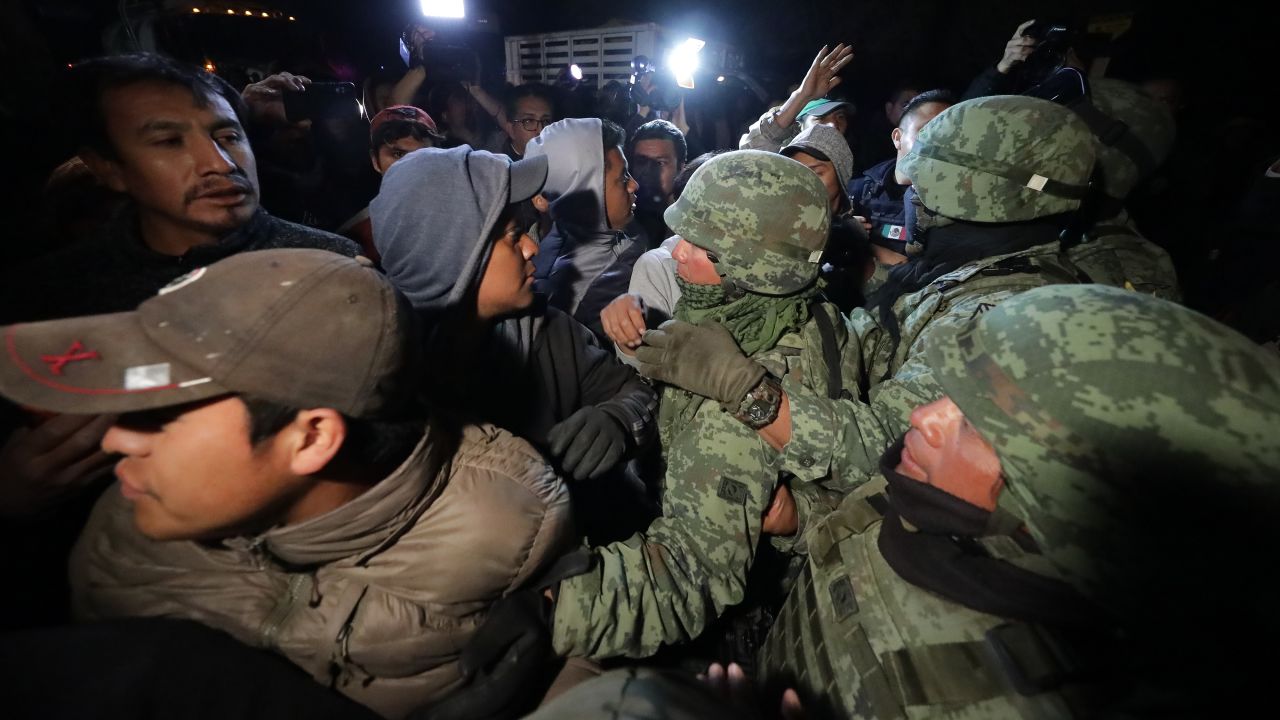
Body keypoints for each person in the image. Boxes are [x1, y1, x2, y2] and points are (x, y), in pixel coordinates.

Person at [0, 248, 573, 719]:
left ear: (310, 437)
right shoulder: (129, 526)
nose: (114, 442)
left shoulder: (507, 524)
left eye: (159, 417)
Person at [758, 284, 1280, 717]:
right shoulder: (936, 491)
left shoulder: (1031, 697)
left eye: (974, 422)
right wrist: (801, 520)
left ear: (1057, 493)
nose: (925, 419)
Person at [637, 95, 1097, 499]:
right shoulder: (972, 273)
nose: (908, 195)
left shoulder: (999, 318)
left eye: (918, 186)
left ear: (982, 196)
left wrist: (744, 387)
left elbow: (883, 446)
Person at [549, 150, 848, 660]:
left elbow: (689, 571)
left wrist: (554, 606)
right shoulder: (807, 311)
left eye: (702, 246)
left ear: (756, 266)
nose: (678, 253)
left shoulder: (742, 396)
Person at [369, 146, 657, 538]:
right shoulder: (382, 382)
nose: (531, 247)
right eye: (511, 236)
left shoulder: (546, 330)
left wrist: (620, 420)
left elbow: (633, 391)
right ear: (454, 253)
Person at [525, 118, 640, 342]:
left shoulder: (614, 234)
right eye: (622, 177)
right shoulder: (573, 292)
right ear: (589, 190)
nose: (634, 184)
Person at [848, 89, 954, 289]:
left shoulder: (960, 202)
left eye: (946, 135)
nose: (935, 143)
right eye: (925, 131)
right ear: (897, 137)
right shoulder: (858, 191)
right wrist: (847, 232)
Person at [337, 104, 443, 262]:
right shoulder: (357, 236)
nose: (411, 164)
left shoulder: (467, 211)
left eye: (423, 154)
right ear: (375, 161)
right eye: (398, 154)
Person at [739, 44, 855, 153]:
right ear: (799, 127)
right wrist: (801, 97)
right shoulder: (784, 165)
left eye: (840, 116)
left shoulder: (849, 171)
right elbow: (750, 156)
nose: (833, 125)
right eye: (821, 118)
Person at [628, 119, 688, 247]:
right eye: (641, 162)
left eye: (660, 163)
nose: (648, 171)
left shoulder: (692, 224)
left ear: (681, 168)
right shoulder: (619, 219)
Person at [853, 84, 919, 171]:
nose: (912, 111)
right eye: (905, 105)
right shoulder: (870, 140)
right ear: (889, 109)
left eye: (917, 106)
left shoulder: (919, 138)